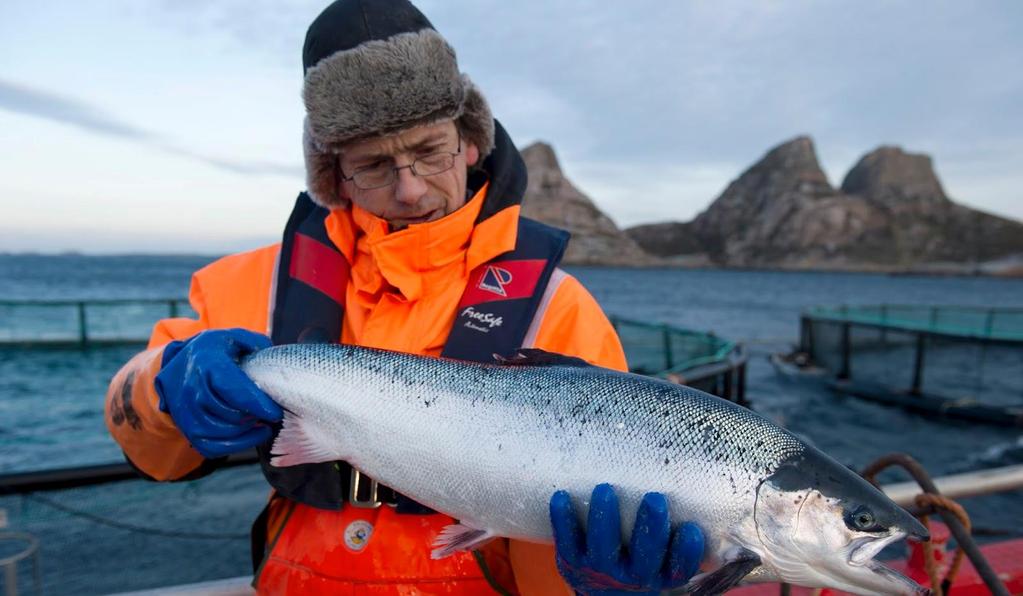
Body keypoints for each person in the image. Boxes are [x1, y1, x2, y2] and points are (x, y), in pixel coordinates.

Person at [104, 1, 704, 593]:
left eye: (429, 151)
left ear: (470, 141)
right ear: (334, 174)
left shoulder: (558, 306)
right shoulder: (250, 282)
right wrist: (164, 383)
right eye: (373, 164)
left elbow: (590, 510)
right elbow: (151, 450)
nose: (411, 189)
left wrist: (600, 582)